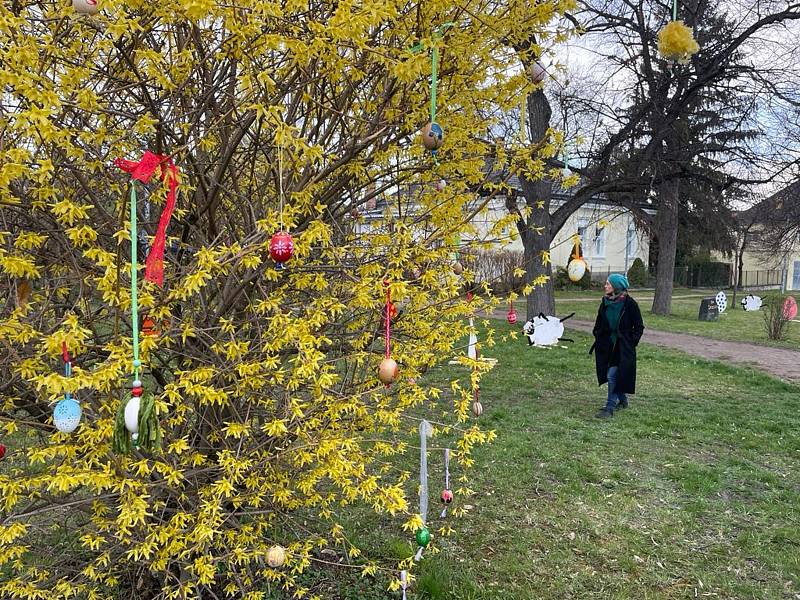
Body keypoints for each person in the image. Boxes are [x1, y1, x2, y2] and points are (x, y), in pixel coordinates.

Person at [590, 273, 644, 419]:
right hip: (608, 345)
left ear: (616, 287)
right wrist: (598, 334)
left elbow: (639, 326)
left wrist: (631, 341)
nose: (605, 286)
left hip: (622, 346)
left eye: (608, 283)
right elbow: (599, 323)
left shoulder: (629, 304)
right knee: (613, 375)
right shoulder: (605, 303)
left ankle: (609, 407)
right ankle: (623, 401)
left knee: (612, 375)